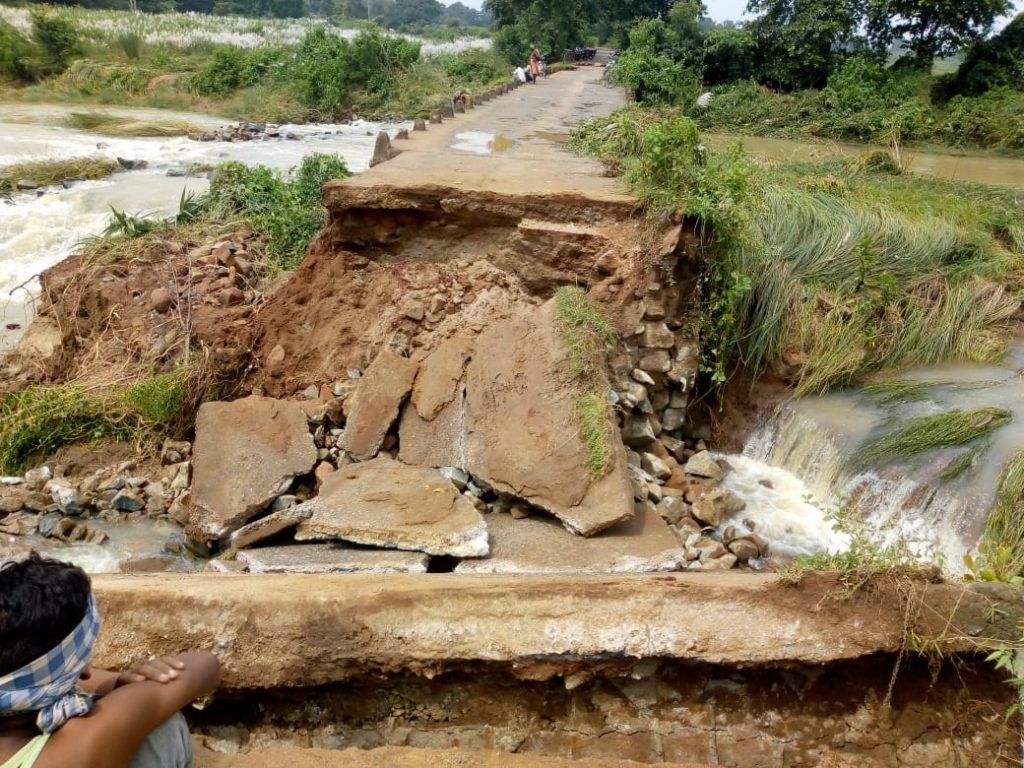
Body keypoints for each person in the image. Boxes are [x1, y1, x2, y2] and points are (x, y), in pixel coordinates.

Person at [0, 554, 221, 768]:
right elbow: (206, 665)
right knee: (161, 726)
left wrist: (113, 682)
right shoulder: (81, 744)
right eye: (83, 658)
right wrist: (129, 684)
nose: (88, 670)